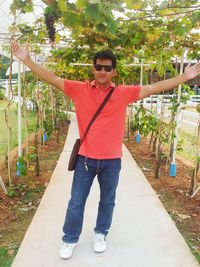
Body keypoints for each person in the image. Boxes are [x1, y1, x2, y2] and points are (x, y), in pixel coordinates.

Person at [11, 41, 200, 259]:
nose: (102, 71)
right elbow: (51, 78)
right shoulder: (78, 89)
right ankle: (69, 238)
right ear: (93, 69)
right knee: (76, 202)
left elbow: (153, 88)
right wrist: (26, 60)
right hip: (85, 159)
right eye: (99, 67)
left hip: (112, 161)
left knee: (107, 200)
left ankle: (101, 233)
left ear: (114, 71)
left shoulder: (123, 93)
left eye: (107, 68)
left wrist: (184, 78)